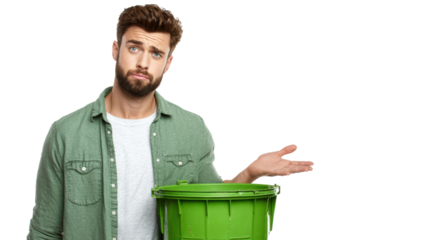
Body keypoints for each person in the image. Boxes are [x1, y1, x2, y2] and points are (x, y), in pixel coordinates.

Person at [27, 3, 224, 240]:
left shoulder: (192, 128)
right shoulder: (65, 132)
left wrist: (250, 173)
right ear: (115, 49)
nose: (143, 62)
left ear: (168, 64)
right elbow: (44, 231)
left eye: (156, 53)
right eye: (134, 48)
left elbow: (213, 204)